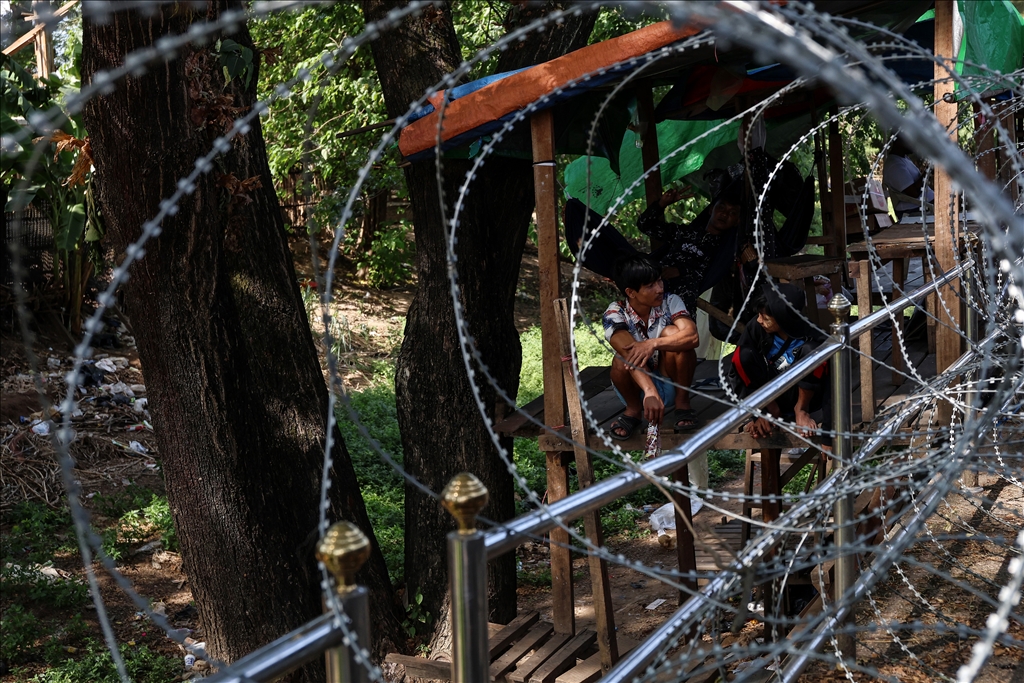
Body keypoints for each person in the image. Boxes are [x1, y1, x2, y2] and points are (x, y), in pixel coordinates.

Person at [635, 182, 744, 428]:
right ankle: (650, 397)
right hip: (654, 296)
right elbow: (645, 226)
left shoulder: (726, 248)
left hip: (681, 300)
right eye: (721, 208)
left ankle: (683, 403)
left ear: (737, 221)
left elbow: (698, 270)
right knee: (644, 344)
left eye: (732, 213)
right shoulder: (685, 233)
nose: (725, 214)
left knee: (681, 345)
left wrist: (670, 271)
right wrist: (662, 204)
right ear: (712, 209)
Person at [602, 255, 699, 440]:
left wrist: (652, 343)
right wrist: (649, 391)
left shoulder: (671, 301)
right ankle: (633, 410)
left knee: (672, 333)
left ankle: (682, 403)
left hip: (670, 378)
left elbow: (692, 336)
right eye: (650, 286)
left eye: (659, 281)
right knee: (620, 358)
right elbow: (627, 352)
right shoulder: (615, 312)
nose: (660, 289)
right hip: (636, 386)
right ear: (631, 292)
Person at [724, 282, 828, 439]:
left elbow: (832, 387)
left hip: (803, 394)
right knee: (742, 355)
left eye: (765, 317)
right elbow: (738, 370)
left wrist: (829, 433)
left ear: (784, 319)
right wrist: (758, 412)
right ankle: (771, 411)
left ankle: (801, 410)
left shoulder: (813, 335)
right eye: (759, 315)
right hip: (767, 394)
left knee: (814, 353)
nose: (759, 320)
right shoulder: (756, 327)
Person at [883, 137, 934, 219]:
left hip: (924, 205)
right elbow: (913, 193)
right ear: (899, 141)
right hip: (913, 209)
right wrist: (928, 171)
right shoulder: (894, 165)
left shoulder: (904, 159)